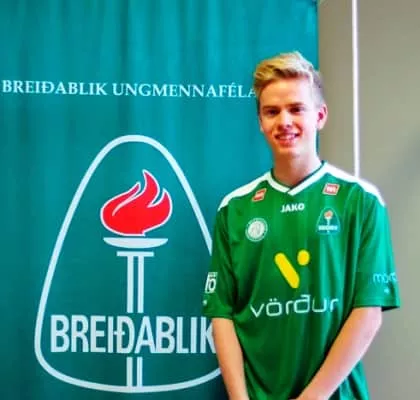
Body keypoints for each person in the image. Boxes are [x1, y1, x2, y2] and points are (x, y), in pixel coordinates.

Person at [202, 51, 400, 400]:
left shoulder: (360, 201)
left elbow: (368, 313)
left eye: (296, 109)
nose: (284, 121)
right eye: (272, 112)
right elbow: (222, 315)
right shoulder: (234, 209)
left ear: (320, 116)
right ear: (260, 121)